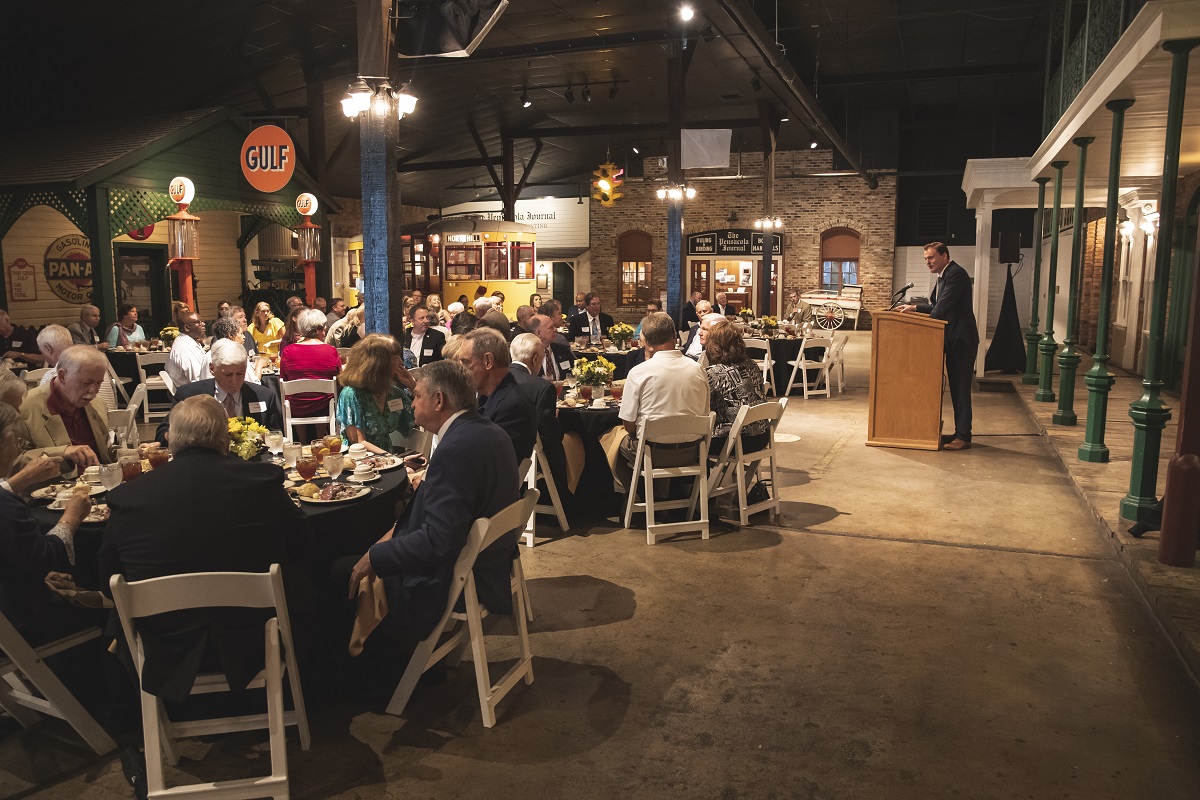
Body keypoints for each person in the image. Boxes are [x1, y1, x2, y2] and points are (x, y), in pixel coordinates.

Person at [100, 394, 315, 704]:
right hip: (254, 636)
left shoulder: (129, 497)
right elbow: (304, 546)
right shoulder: (260, 482)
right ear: (224, 438)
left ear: (171, 438)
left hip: (164, 646)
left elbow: (107, 579)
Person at [344, 360, 521, 660]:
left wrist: (375, 557)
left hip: (458, 578)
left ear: (439, 400)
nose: (412, 402)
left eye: (417, 396)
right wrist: (389, 537)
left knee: (339, 571)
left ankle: (367, 674)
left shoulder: (455, 448)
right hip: (491, 563)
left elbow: (439, 541)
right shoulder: (489, 431)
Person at [0, 403, 100, 644]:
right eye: (16, 443)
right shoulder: (7, 506)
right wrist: (72, 517)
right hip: (23, 622)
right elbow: (46, 557)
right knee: (106, 606)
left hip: (12, 598)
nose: (16, 451)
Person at [613, 312, 709, 491]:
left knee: (612, 444)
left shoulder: (639, 372)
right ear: (674, 336)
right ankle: (675, 496)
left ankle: (633, 499)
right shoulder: (698, 370)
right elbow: (704, 413)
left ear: (646, 342)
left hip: (652, 454)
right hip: (693, 452)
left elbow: (629, 425)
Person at [898, 241, 979, 451]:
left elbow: (940, 310)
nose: (928, 262)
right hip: (952, 340)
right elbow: (935, 304)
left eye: (931, 257)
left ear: (944, 255)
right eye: (926, 259)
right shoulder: (944, 275)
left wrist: (923, 313)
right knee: (955, 389)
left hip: (962, 341)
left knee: (961, 390)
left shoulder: (956, 274)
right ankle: (960, 432)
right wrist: (914, 307)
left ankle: (964, 436)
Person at [156, 339, 281, 444]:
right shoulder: (189, 395)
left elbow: (276, 434)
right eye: (227, 374)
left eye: (239, 373)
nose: (234, 381)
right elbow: (164, 432)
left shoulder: (263, 396)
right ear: (212, 369)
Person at [20, 345, 113, 471]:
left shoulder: (97, 404)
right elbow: (13, 463)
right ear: (62, 376)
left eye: (98, 383)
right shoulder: (24, 407)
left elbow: (103, 454)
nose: (93, 391)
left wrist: (128, 455)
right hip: (51, 488)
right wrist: (62, 452)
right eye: (86, 383)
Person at [456, 329, 535, 462]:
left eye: (465, 362)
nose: (460, 370)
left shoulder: (514, 406)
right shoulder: (485, 397)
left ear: (488, 361)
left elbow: (488, 463)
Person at [337, 334, 415, 454]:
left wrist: (412, 384)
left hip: (387, 459)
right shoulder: (352, 394)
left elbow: (424, 417)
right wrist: (394, 461)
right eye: (395, 358)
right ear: (379, 364)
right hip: (361, 462)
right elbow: (358, 441)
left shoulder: (393, 392)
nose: (401, 362)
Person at [509, 333, 567, 494]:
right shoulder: (542, 387)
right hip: (528, 458)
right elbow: (549, 435)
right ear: (535, 358)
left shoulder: (495, 379)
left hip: (495, 454)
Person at [704, 325, 769, 457]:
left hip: (734, 441)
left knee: (694, 444)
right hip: (762, 437)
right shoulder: (752, 364)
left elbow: (703, 407)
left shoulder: (713, 373)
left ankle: (708, 477)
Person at [279, 309, 341, 441]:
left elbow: (283, 379)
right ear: (319, 329)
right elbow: (339, 377)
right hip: (324, 405)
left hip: (296, 406)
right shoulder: (330, 351)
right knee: (329, 396)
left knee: (293, 397)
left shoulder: (288, 351)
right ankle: (320, 438)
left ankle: (302, 440)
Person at [209, 318, 262, 384]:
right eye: (241, 333)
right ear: (231, 335)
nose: (244, 337)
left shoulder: (208, 354)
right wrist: (260, 365)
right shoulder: (237, 354)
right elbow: (254, 383)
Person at [165, 311, 208, 387]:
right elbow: (198, 382)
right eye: (198, 322)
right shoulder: (187, 349)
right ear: (187, 327)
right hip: (193, 395)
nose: (203, 324)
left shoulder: (185, 341)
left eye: (202, 321)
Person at [529, 314, 574, 380]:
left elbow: (575, 371)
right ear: (538, 333)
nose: (555, 329)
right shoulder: (529, 355)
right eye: (551, 327)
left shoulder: (562, 349)